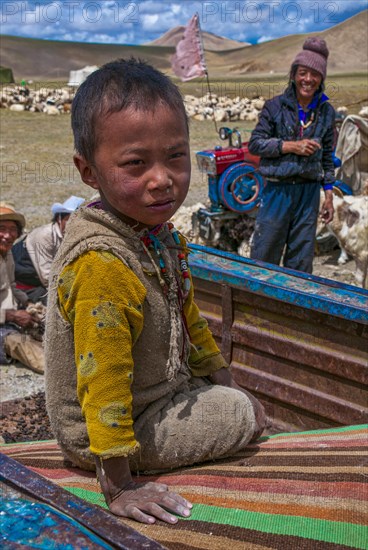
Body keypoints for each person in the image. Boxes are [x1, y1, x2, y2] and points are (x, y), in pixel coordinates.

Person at [45, 58, 266, 526]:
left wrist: (225, 378)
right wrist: (120, 486)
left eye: (176, 156)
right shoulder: (103, 263)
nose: (162, 178)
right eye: (136, 163)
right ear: (88, 171)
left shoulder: (157, 237)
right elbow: (103, 378)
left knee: (235, 398)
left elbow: (192, 324)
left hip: (151, 398)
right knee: (242, 415)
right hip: (106, 433)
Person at [248, 37, 335, 273]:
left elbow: (327, 157)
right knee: (264, 254)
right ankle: (257, 306)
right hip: (278, 190)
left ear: (321, 78)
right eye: (303, 72)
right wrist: (290, 146)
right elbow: (255, 144)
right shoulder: (275, 107)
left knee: (301, 260)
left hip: (308, 194)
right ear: (294, 75)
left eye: (315, 74)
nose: (308, 79)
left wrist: (328, 195)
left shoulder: (326, 112)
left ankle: (290, 309)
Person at [12, 195, 84, 304]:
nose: (74, 224)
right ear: (59, 219)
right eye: (69, 220)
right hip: (24, 283)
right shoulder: (45, 235)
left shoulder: (75, 236)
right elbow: (47, 277)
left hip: (44, 281)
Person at [0, 203, 44, 372]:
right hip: (5, 324)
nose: (7, 235)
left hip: (8, 318)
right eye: (2, 228)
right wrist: (12, 316)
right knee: (18, 342)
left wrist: (28, 304)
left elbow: (11, 286)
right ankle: (63, 373)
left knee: (46, 323)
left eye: (12, 229)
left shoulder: (7, 254)